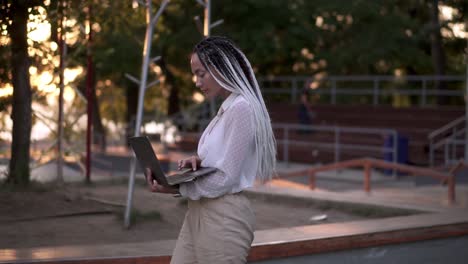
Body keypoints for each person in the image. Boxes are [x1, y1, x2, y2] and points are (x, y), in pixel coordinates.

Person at [144, 36, 277, 264]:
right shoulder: (226, 109)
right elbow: (221, 163)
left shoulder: (241, 108)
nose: (196, 81)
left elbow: (226, 178)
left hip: (223, 216)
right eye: (195, 74)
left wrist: (176, 188)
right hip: (198, 211)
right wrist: (198, 161)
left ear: (220, 68)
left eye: (201, 73)